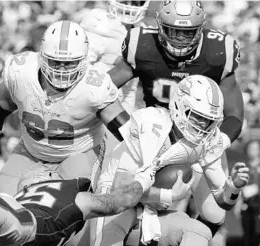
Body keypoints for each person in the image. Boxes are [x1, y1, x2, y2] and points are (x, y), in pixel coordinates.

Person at [107, 0, 244, 235]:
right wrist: (128, 131)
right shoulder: (143, 45)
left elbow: (235, 114)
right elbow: (104, 92)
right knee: (132, 192)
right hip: (158, 135)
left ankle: (191, 234)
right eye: (174, 31)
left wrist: (218, 142)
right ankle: (140, 232)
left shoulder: (218, 52)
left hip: (201, 135)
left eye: (188, 32)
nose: (180, 38)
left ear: (201, 29)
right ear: (160, 25)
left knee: (216, 213)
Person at [0, 20, 130, 197]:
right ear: (43, 56)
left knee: (68, 207)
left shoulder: (94, 88)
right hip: (31, 152)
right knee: (3, 202)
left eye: (69, 63)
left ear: (83, 59)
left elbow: (125, 130)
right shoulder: (22, 75)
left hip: (78, 154)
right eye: (55, 62)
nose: (62, 70)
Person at [89, 75, 249, 246]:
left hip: (148, 209)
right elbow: (120, 190)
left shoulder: (206, 142)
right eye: (196, 116)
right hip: (113, 206)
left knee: (199, 232)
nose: (202, 125)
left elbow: (223, 201)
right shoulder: (150, 124)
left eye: (209, 120)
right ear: (180, 106)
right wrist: (169, 195)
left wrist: (234, 186)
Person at [0, 132, 157, 246]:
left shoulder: (71, 194)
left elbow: (120, 201)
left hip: (8, 225)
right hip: (19, 227)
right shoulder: (76, 197)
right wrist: (144, 180)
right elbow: (122, 200)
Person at [81, 0, 151, 115]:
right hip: (92, 102)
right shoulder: (100, 23)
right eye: (124, 1)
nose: (128, 7)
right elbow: (81, 69)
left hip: (117, 105)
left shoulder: (142, 31)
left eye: (134, 2)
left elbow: (130, 88)